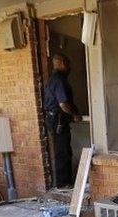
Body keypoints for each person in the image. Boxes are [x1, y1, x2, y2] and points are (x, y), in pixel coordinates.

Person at [44, 53, 82, 189]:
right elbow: (63, 104)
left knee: (63, 150)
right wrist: (75, 114)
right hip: (58, 120)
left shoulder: (53, 79)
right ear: (61, 63)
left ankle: (64, 182)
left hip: (55, 119)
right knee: (63, 152)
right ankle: (63, 184)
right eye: (67, 63)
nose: (69, 67)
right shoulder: (59, 80)